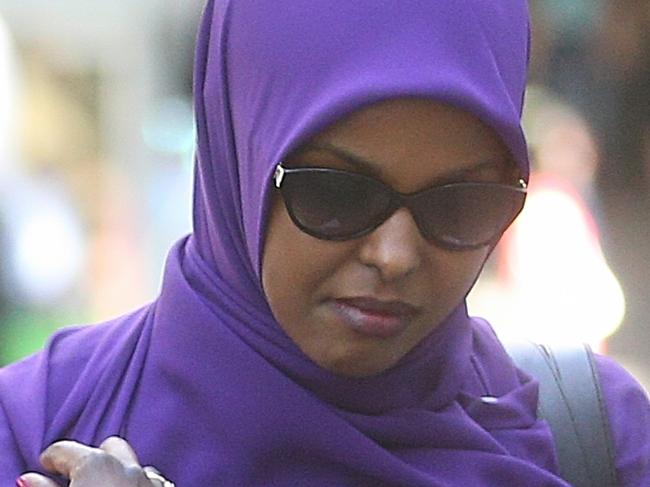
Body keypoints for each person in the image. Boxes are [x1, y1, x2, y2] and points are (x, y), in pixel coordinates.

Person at [1, 0, 649, 485]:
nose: (394, 256)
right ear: (240, 160)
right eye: (336, 193)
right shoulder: (35, 426)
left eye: (461, 203)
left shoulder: (599, 440)